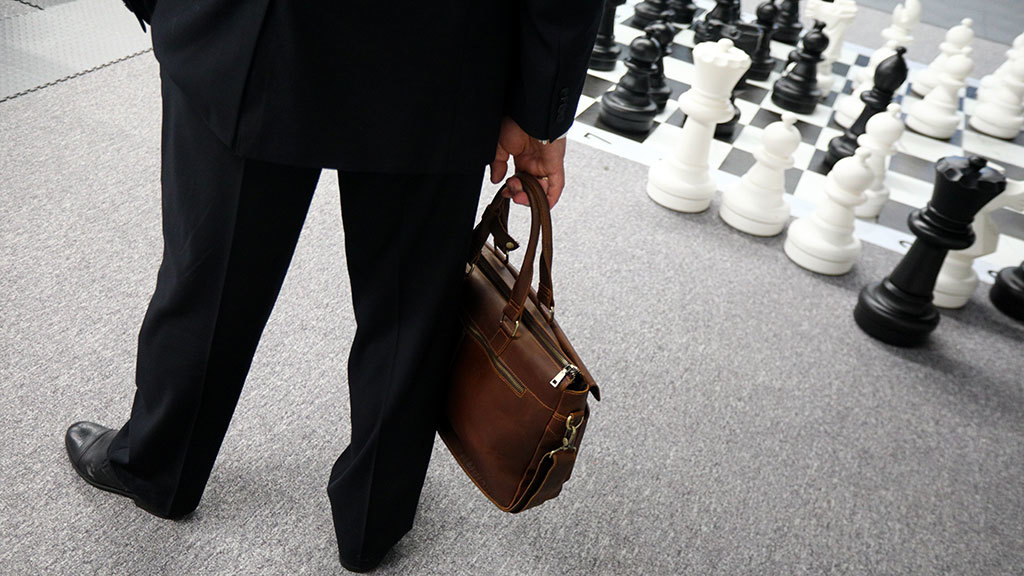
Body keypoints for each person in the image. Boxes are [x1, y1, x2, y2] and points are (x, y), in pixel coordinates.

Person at [63, 0, 603, 572]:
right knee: (410, 307)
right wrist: (540, 108)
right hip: (443, 45)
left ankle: (157, 465)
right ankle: (375, 519)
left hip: (255, 29)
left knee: (211, 271)